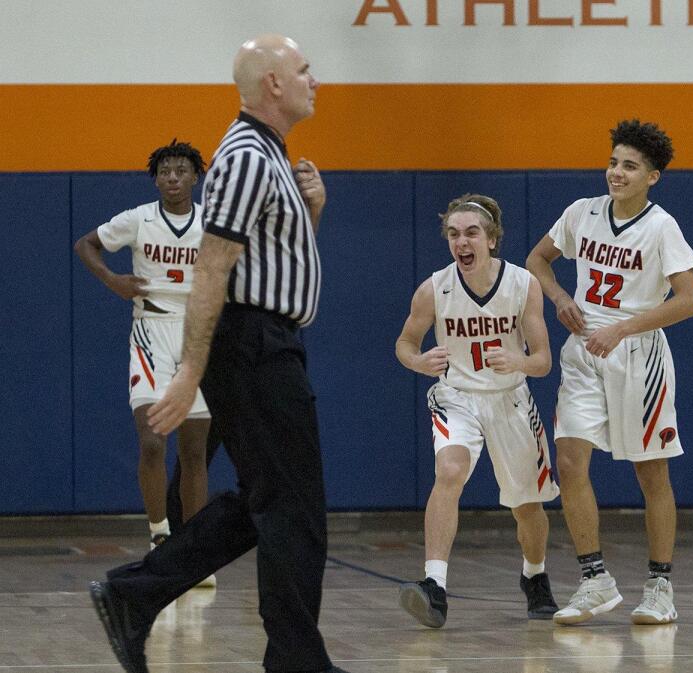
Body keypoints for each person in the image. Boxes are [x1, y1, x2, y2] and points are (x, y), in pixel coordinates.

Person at [88, 34, 351, 673]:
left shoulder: (270, 156)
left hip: (268, 341)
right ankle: (294, 661)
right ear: (273, 86)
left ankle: (133, 594)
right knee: (293, 509)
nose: (316, 80)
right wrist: (189, 371)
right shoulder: (245, 156)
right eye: (305, 70)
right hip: (253, 345)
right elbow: (215, 264)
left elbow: (272, 263)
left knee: (268, 500)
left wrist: (313, 210)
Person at [526, 119, 693, 625]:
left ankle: (660, 586)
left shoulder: (661, 227)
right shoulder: (582, 213)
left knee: (651, 473)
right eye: (613, 162)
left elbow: (689, 301)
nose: (616, 173)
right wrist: (559, 297)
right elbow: (539, 259)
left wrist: (623, 329)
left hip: (637, 355)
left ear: (652, 177)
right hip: (584, 350)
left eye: (629, 166)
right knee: (570, 460)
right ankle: (594, 579)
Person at [394, 193, 560, 628]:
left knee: (527, 506)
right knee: (449, 472)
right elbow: (405, 344)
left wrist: (519, 361)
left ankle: (534, 574)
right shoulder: (434, 289)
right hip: (457, 398)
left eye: (470, 233)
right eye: (453, 234)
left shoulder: (523, 285)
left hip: (510, 398)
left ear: (491, 239)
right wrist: (419, 361)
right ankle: (435, 586)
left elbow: (543, 361)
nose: (461, 242)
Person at [74, 141, 215, 578]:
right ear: (156, 179)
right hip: (150, 332)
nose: (173, 177)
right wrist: (113, 280)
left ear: (195, 177)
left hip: (197, 336)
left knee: (195, 452)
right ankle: (160, 534)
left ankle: (194, 552)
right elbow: (86, 245)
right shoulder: (139, 219)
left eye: (181, 170)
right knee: (153, 441)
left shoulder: (212, 223)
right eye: (165, 171)